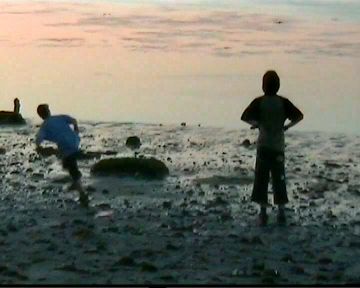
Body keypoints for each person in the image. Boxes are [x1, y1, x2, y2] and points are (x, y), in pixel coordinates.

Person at [241, 70, 303, 225]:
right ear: (278, 85)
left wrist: (257, 124)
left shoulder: (259, 102)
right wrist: (287, 126)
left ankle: (263, 213)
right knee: (279, 177)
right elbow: (299, 116)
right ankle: (281, 211)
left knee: (261, 179)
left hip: (263, 146)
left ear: (263, 86)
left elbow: (244, 117)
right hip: (277, 146)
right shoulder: (283, 102)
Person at [35, 104, 89, 207]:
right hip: (75, 140)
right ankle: (76, 182)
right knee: (67, 163)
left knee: (71, 166)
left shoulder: (45, 126)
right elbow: (73, 120)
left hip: (65, 146)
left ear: (40, 115)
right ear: (49, 111)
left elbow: (38, 139)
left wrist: (38, 148)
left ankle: (82, 193)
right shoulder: (59, 117)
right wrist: (76, 130)